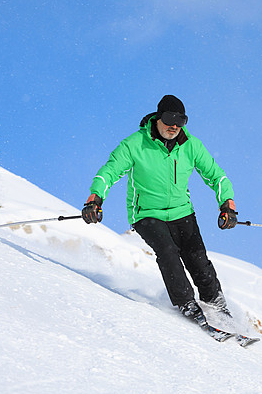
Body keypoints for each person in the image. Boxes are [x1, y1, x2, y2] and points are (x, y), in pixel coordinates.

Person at [82, 95, 238, 327]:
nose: (174, 126)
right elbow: (109, 171)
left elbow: (216, 175)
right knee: (167, 252)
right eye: (169, 119)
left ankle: (216, 305)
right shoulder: (135, 144)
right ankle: (187, 303)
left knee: (198, 259)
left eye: (180, 121)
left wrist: (227, 203)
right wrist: (95, 199)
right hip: (146, 213)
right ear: (157, 118)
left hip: (181, 211)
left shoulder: (191, 145)